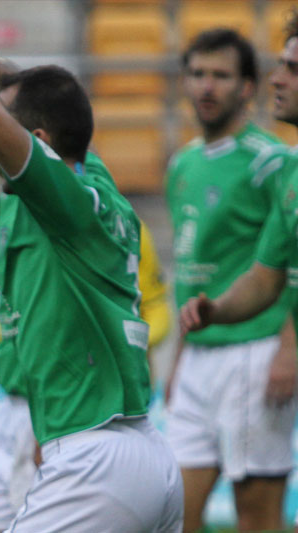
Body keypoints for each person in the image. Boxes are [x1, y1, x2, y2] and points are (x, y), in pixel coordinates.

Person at [0, 4, 183, 531]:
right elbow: (55, 118)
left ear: (39, 146)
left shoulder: (62, 206)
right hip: (127, 445)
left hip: (93, 452)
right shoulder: (94, 183)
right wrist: (3, 75)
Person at [165, 27, 297, 533]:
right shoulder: (182, 164)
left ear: (247, 87)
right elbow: (191, 273)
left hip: (254, 353)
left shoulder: (273, 163)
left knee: (257, 519)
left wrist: (289, 347)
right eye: (197, 74)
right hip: (200, 356)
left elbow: (284, 270)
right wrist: (179, 357)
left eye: (221, 75)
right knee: (173, 513)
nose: (206, 86)